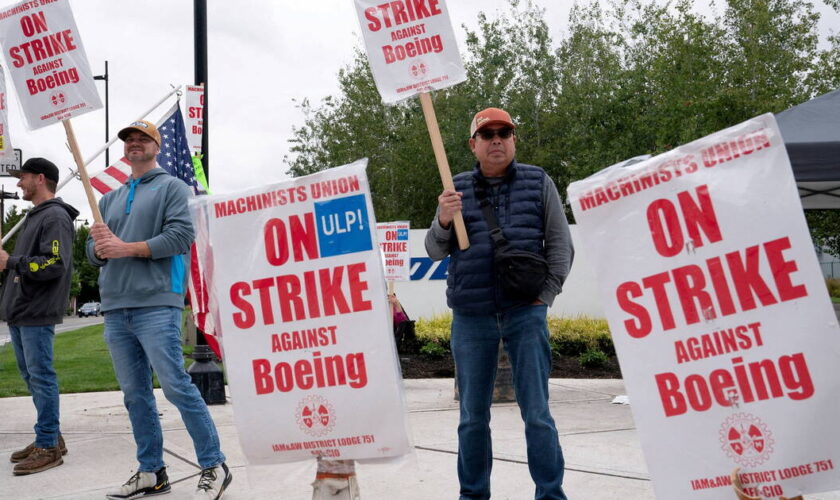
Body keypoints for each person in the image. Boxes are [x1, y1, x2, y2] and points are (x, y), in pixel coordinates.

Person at [425, 107, 574, 500]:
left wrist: (546, 296)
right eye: (487, 134)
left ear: (513, 139)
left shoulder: (539, 182)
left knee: (537, 414)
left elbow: (560, 245)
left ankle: (550, 494)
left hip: (526, 312)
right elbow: (434, 251)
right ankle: (473, 495)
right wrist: (443, 219)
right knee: (472, 417)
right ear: (473, 144)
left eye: (503, 132)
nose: (496, 140)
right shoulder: (453, 188)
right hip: (471, 318)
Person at [87, 120, 232, 500]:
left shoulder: (173, 187)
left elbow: (181, 236)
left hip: (156, 303)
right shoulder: (109, 199)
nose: (134, 144)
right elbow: (96, 254)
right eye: (129, 140)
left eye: (142, 138)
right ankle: (152, 471)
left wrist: (124, 247)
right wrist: (97, 246)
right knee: (135, 395)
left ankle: (214, 465)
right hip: (116, 305)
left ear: (157, 145)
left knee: (176, 387)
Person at [0, 158, 78, 476]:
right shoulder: (36, 216)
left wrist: (12, 262)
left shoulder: (56, 217)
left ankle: (48, 446)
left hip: (36, 310)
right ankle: (50, 436)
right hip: (21, 310)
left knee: (41, 378)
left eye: (24, 177)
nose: (19, 183)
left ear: (40, 179)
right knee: (32, 377)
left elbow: (55, 264)